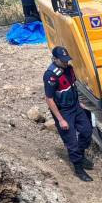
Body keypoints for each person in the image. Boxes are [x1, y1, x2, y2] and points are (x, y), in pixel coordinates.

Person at [43, 46, 94, 182]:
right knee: (71, 141)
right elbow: (49, 99)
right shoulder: (50, 75)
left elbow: (73, 87)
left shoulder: (69, 69)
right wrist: (60, 119)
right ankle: (78, 168)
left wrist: (79, 103)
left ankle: (81, 156)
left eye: (67, 60)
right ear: (55, 59)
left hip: (75, 106)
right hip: (63, 111)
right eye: (63, 61)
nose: (66, 63)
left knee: (87, 131)